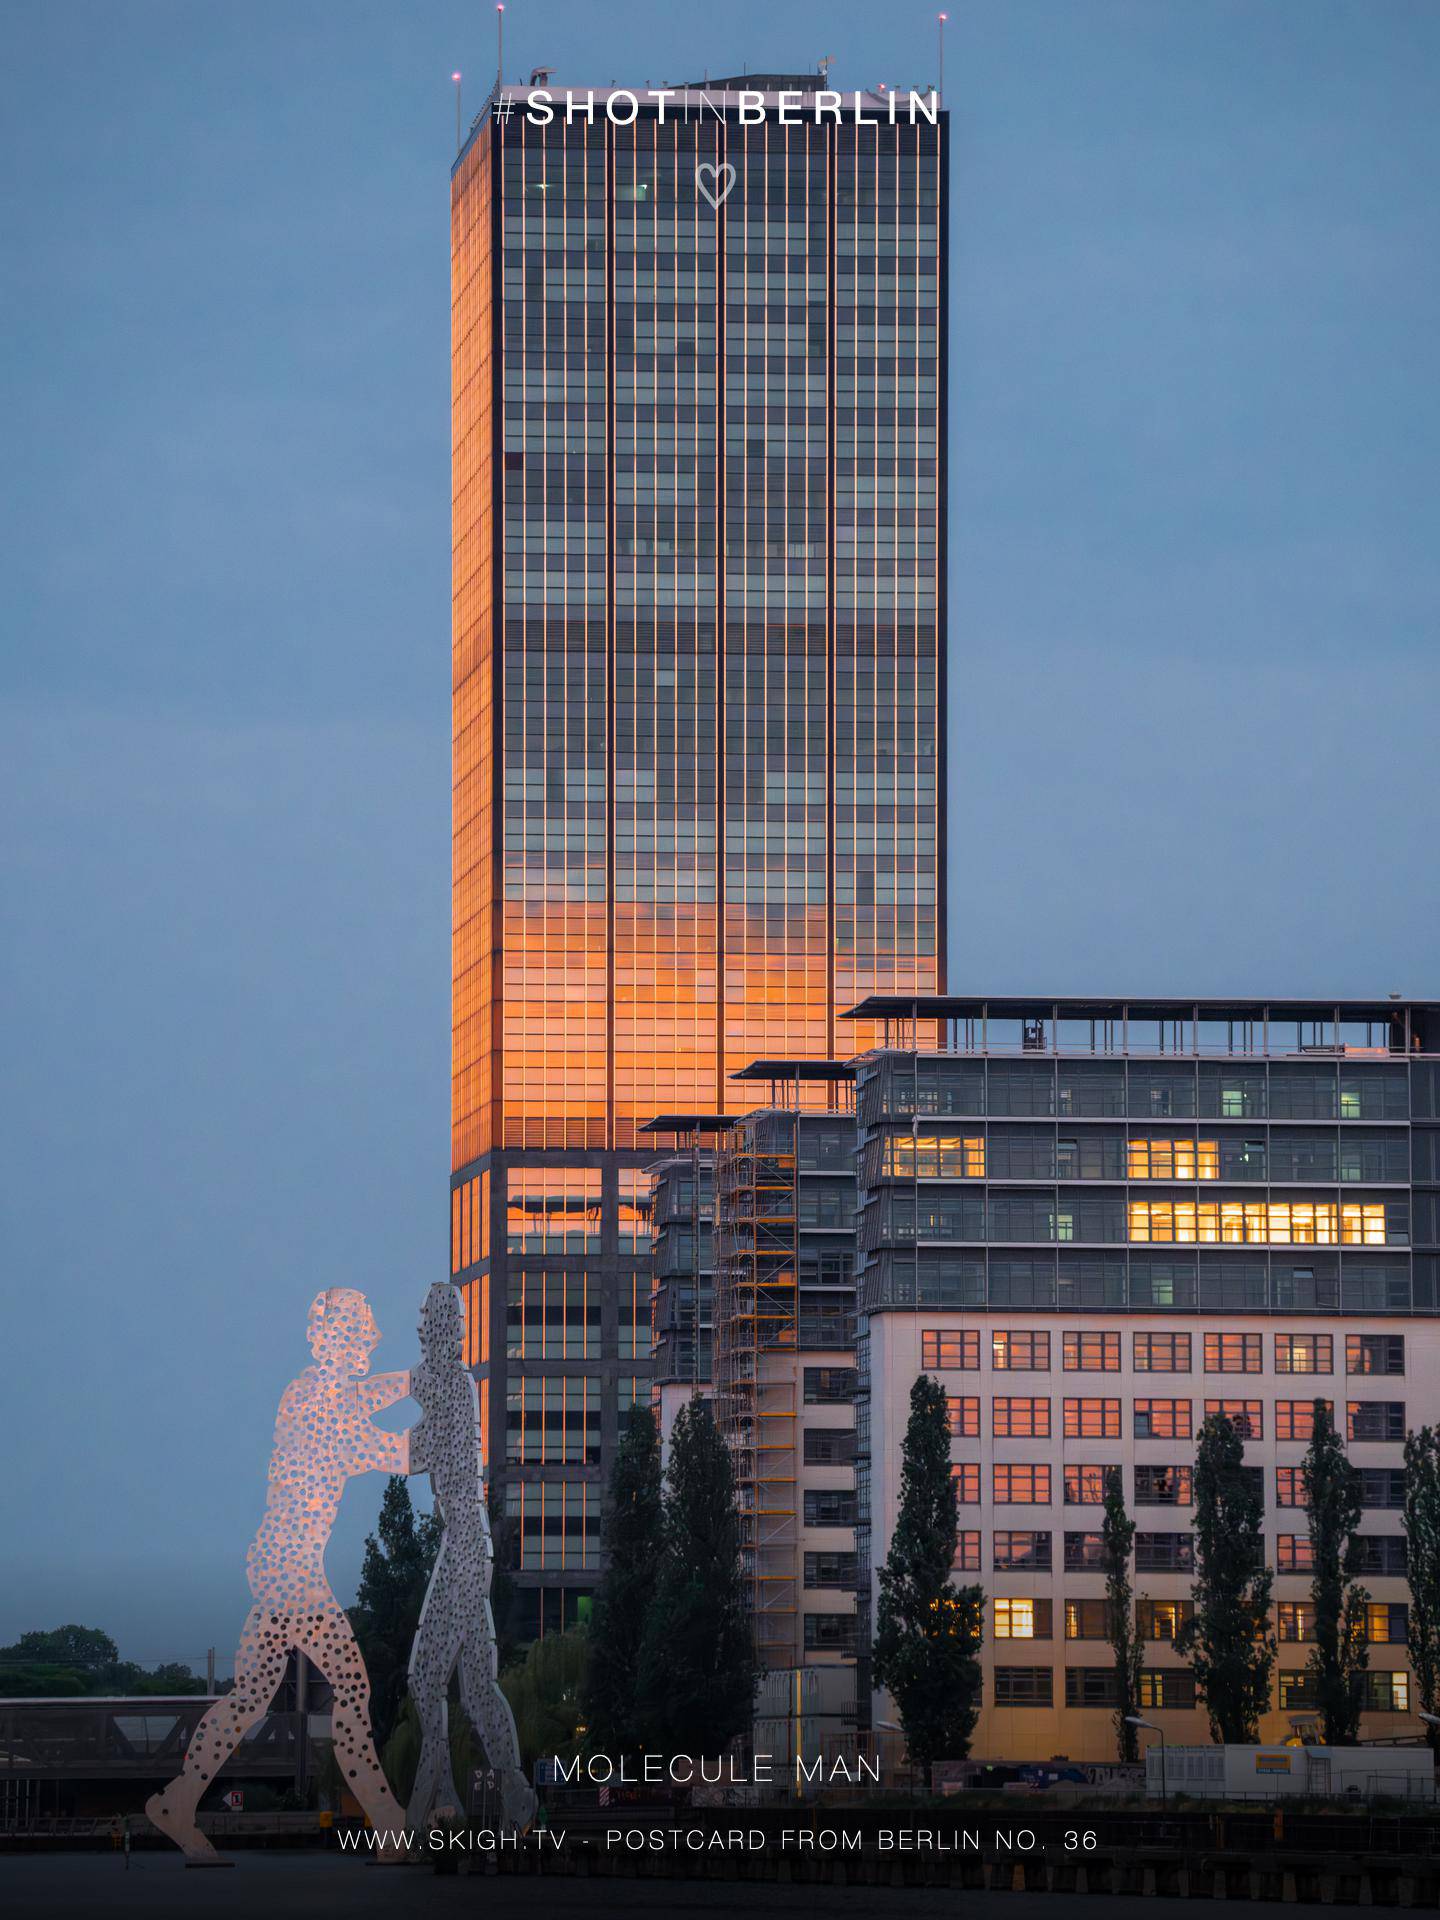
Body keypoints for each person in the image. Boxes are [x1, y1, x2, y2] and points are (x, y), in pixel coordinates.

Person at [146, 1288, 411, 1863]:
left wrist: (417, 1380)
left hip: (276, 1568)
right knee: (353, 1688)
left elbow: (363, 1397)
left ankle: (179, 1800)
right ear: (339, 1336)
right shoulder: (329, 1414)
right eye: (364, 1328)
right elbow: (402, 1454)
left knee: (250, 1698)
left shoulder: (306, 1392)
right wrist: (454, 1411)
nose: (373, 1337)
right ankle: (390, 1825)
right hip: (295, 1577)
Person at [406, 1283, 534, 1834]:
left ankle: (426, 1811)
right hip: (464, 1545)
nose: (421, 1330)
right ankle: (515, 1798)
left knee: (423, 1676)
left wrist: (347, 1443)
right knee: (477, 1690)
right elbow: (405, 1392)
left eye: (428, 1322)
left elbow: (418, 1451)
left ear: (439, 1328)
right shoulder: (444, 1383)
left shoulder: (454, 1384)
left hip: (463, 1551)